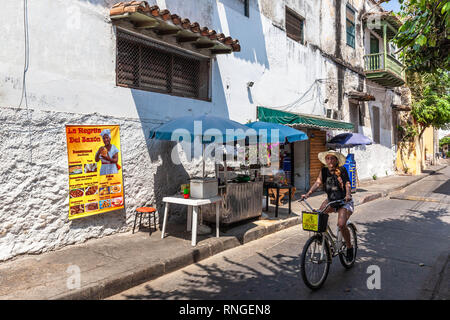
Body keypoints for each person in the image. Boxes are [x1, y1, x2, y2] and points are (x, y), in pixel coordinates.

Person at [301, 150, 354, 261]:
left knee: (341, 224)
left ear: (336, 160)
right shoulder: (324, 171)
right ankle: (323, 239)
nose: (330, 160)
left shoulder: (342, 170)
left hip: (344, 201)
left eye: (332, 158)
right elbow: (318, 183)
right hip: (331, 201)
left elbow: (347, 184)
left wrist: (348, 194)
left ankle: (349, 247)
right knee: (319, 216)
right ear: (325, 160)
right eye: (328, 158)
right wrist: (308, 194)